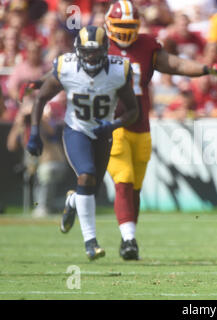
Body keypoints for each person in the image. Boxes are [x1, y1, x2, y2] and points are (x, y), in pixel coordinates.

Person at [104, 0, 217, 260]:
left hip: (141, 127)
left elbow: (177, 65)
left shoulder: (146, 45)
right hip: (112, 126)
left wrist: (205, 68)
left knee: (134, 186)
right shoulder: (100, 47)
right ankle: (128, 240)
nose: (125, 31)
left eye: (129, 26)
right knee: (122, 180)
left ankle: (129, 236)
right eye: (121, 26)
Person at [26, 25, 139, 260]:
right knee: (86, 175)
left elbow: (133, 111)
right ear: (78, 51)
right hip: (76, 130)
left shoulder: (118, 71)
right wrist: (34, 132)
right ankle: (91, 242)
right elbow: (41, 99)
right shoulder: (66, 67)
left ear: (105, 50)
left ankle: (71, 200)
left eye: (96, 51)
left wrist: (113, 125)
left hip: (103, 133)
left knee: (90, 189)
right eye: (86, 52)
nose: (91, 56)